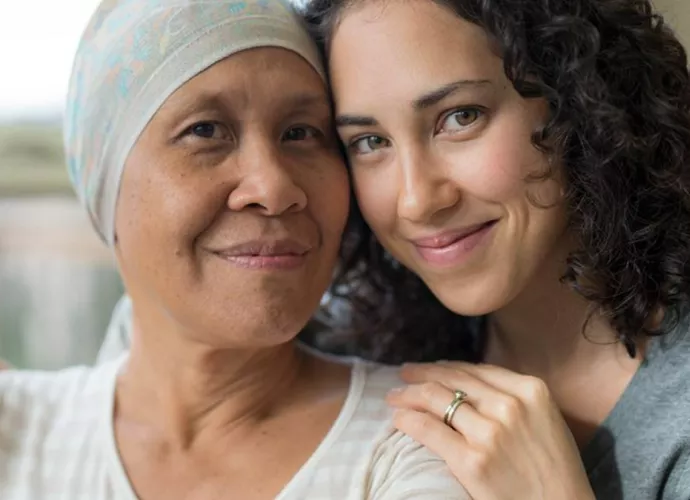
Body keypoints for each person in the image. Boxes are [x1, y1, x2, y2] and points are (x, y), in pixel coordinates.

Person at [0, 1, 471, 498]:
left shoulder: (420, 442)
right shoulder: (18, 430)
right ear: (105, 187)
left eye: (301, 133)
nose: (273, 187)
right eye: (204, 131)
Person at [301, 0, 690, 498]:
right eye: (370, 141)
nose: (416, 200)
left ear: (579, 97)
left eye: (460, 117)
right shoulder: (365, 365)